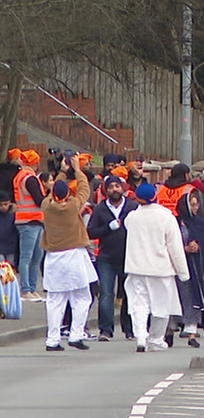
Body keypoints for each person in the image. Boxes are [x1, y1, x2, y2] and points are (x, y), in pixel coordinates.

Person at [41, 155, 97, 351]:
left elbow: (54, 189)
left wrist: (63, 171)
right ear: (68, 195)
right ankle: (76, 334)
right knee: (82, 297)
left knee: (55, 300)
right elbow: (84, 188)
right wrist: (77, 168)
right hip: (74, 256)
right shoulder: (74, 206)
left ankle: (52, 340)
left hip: (53, 258)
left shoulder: (46, 206)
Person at [124, 183, 190, 352]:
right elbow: (175, 247)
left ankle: (140, 335)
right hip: (161, 270)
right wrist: (183, 272)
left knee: (139, 304)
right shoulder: (166, 217)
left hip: (136, 268)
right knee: (161, 306)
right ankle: (156, 339)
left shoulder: (131, 218)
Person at [87, 174, 137, 341]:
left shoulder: (132, 207)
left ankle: (129, 329)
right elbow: (91, 231)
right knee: (106, 294)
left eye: (117, 186)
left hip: (128, 256)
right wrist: (108, 227)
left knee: (130, 293)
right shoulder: (100, 209)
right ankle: (106, 330)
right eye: (111, 187)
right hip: (106, 257)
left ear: (122, 188)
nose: (114, 190)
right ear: (106, 190)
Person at [176, 191, 204, 348]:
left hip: (196, 266)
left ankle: (191, 332)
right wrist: (184, 248)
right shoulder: (175, 222)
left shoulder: (199, 222)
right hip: (178, 265)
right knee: (177, 297)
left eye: (197, 204)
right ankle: (171, 330)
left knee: (194, 297)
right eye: (192, 204)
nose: (195, 207)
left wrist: (198, 245)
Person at [14, 149, 45, 302]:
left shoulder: (21, 176)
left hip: (29, 220)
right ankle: (27, 289)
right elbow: (39, 199)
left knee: (32, 256)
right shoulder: (30, 178)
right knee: (30, 257)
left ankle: (30, 289)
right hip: (30, 221)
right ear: (35, 163)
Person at [0, 191, 18, 266]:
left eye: (5, 204)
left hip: (11, 246)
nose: (3, 207)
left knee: (10, 267)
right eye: (0, 205)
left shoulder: (14, 214)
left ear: (10, 203)